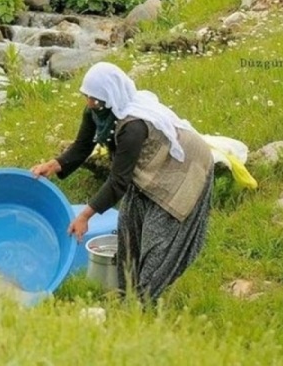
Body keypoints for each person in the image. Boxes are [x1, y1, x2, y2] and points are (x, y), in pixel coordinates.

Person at [30, 62, 214, 302]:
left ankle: (143, 304)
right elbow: (82, 146)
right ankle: (128, 294)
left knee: (158, 244)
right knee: (128, 230)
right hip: (148, 170)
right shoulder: (98, 112)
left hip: (181, 173)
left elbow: (118, 181)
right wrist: (52, 166)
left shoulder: (133, 125)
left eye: (94, 99)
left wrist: (85, 216)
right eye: (87, 97)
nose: (89, 103)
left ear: (110, 98)